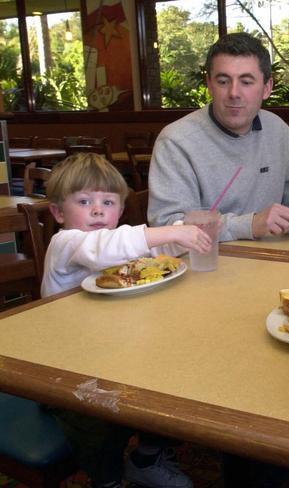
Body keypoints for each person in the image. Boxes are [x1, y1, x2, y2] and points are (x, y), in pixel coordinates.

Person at [42, 152, 213, 488]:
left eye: (108, 202)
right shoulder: (66, 243)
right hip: (68, 371)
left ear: (119, 210)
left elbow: (149, 255)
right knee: (97, 431)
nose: (97, 210)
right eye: (84, 201)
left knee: (170, 383)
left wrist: (179, 235)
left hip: (113, 355)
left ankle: (147, 457)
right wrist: (160, 233)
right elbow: (100, 249)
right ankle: (105, 479)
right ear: (58, 212)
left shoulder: (119, 241)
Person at [148, 32, 289, 241]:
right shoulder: (176, 141)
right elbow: (169, 225)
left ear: (267, 87)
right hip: (207, 266)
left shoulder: (275, 128)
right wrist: (250, 225)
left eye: (246, 82)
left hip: (273, 257)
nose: (234, 93)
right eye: (223, 81)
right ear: (209, 85)